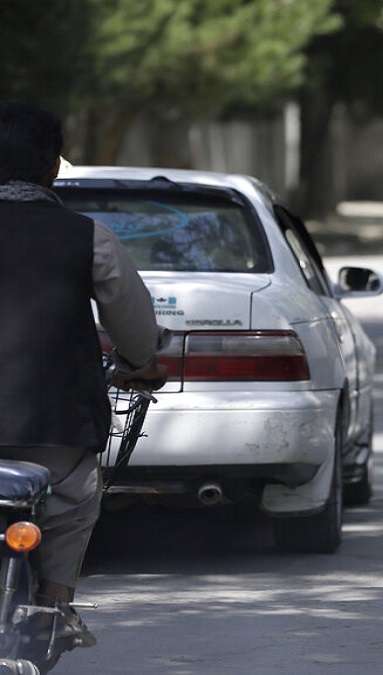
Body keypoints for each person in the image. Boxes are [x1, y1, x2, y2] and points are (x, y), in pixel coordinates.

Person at [0, 102, 165, 646]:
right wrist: (141, 365)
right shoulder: (86, 237)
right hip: (55, 422)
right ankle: (54, 605)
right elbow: (136, 329)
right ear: (52, 168)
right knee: (74, 500)